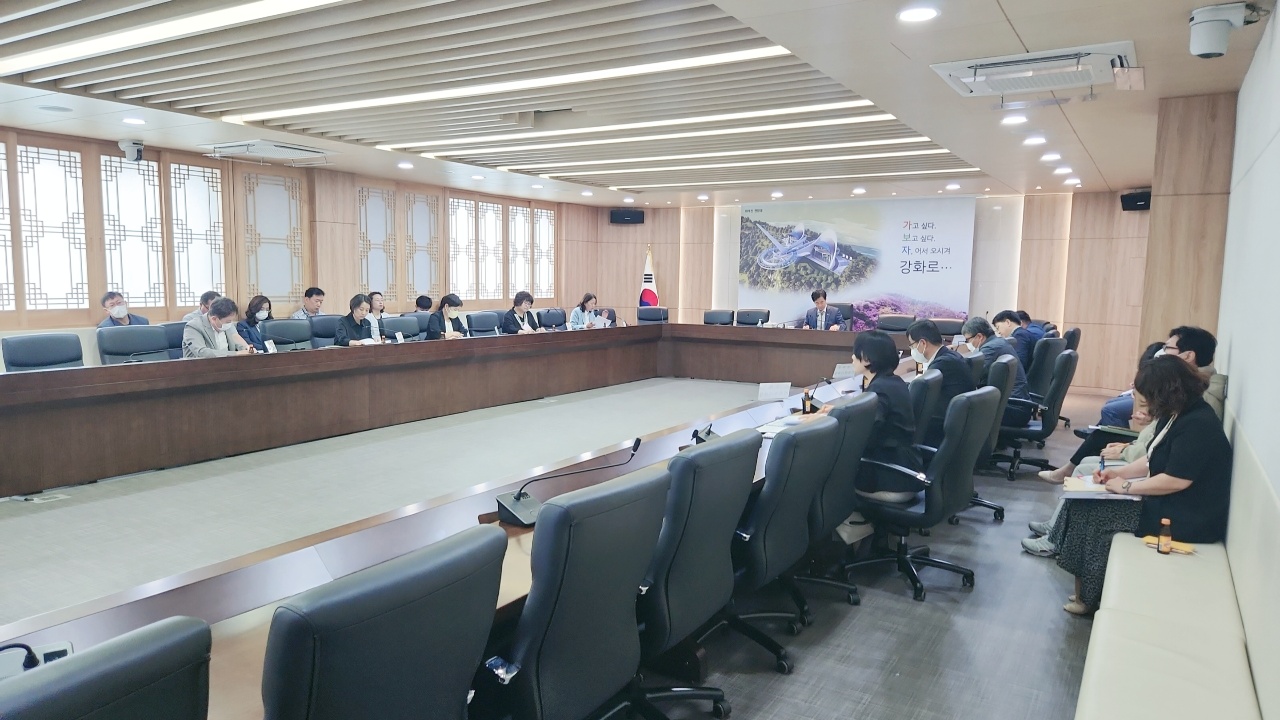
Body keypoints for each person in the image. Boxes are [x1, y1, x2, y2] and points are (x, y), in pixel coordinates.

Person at [1045, 355, 1232, 616]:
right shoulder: (1177, 415)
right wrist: (1116, 474)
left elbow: (1177, 480)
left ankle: (1088, 596)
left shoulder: (1197, 425)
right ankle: (1084, 585)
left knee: (1093, 514)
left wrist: (1126, 488)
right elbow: (1152, 458)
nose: (1147, 402)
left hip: (1187, 518)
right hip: (1173, 504)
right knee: (1078, 503)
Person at [850, 331, 924, 502]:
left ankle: (851, 518)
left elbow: (865, 437)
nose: (852, 357)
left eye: (855, 353)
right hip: (906, 470)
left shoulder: (879, 390)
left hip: (890, 477)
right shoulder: (895, 382)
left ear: (866, 359)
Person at [907, 319, 976, 446]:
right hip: (960, 424)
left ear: (922, 343)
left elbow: (920, 398)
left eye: (912, 345)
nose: (912, 350)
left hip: (942, 430)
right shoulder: (951, 356)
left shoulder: (942, 364)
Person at [961, 316, 1032, 427]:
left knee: (962, 409)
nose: (968, 343)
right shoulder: (998, 342)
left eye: (968, 340)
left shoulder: (990, 348)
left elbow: (972, 376)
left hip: (1013, 409)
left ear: (979, 336)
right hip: (1019, 406)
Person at [183, 297, 252, 358]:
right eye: (228, 321)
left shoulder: (228, 324)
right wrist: (236, 354)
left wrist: (247, 349)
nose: (230, 324)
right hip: (200, 367)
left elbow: (237, 340)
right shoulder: (193, 327)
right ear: (214, 319)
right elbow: (202, 352)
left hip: (228, 365)